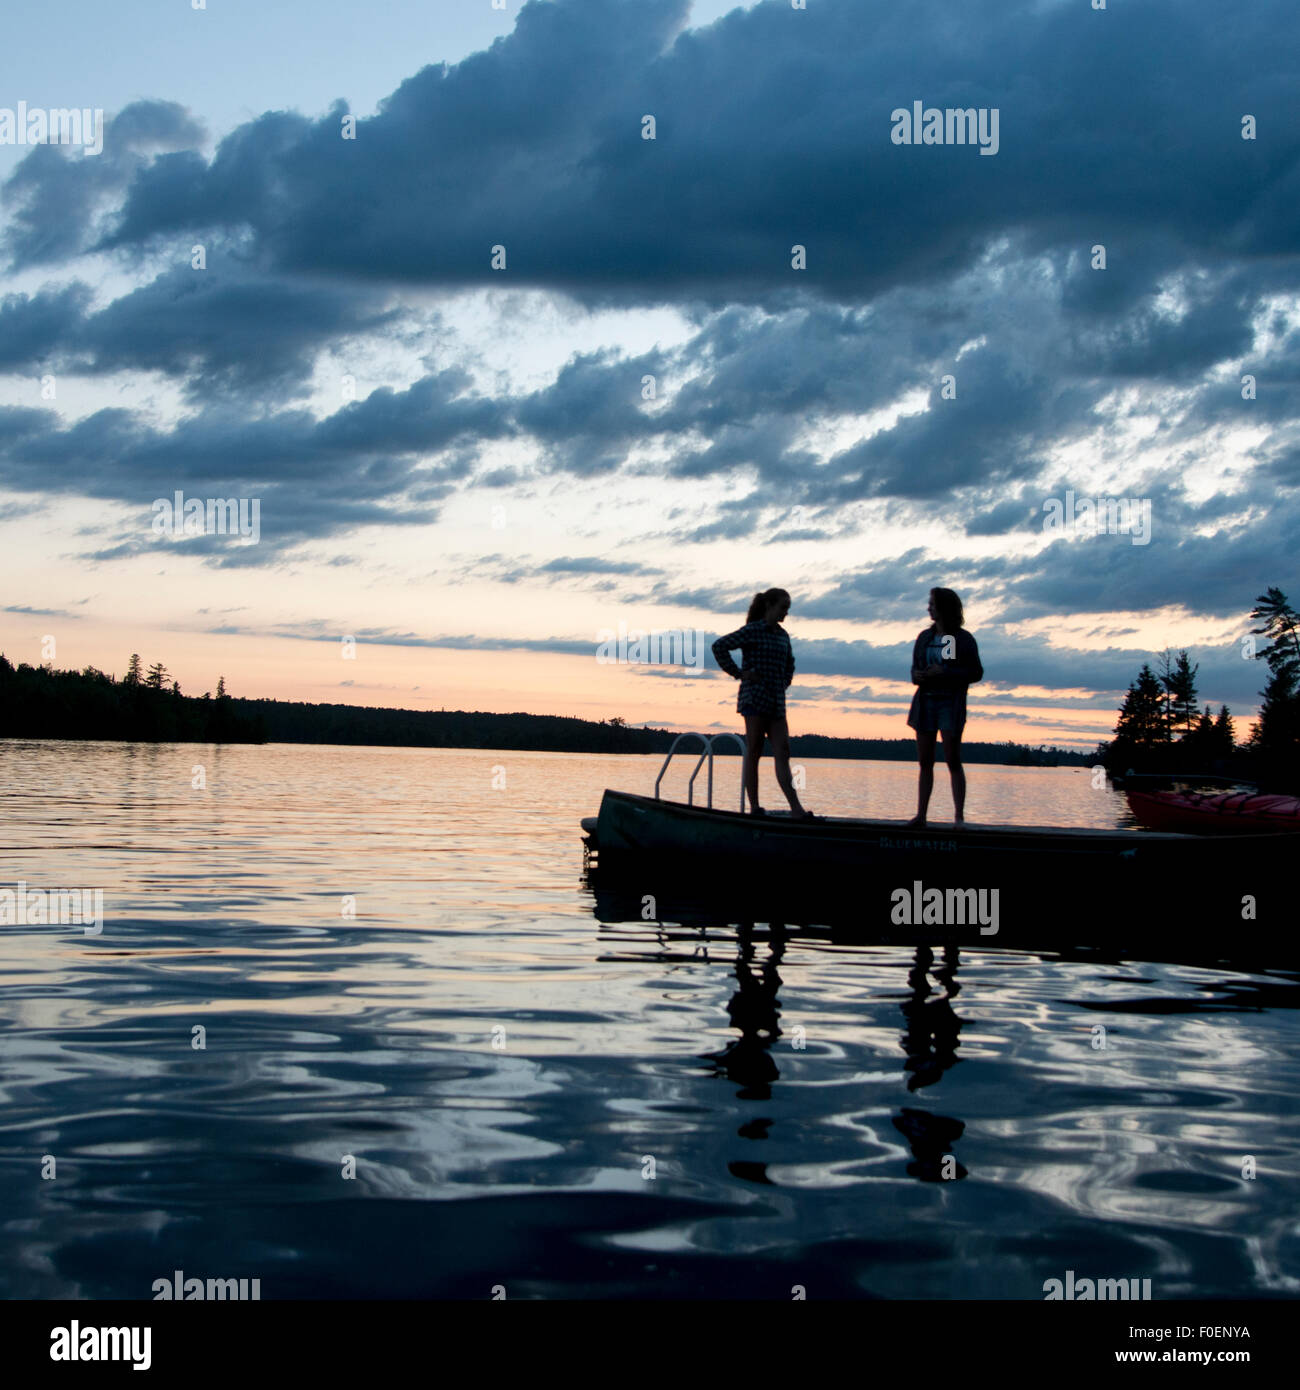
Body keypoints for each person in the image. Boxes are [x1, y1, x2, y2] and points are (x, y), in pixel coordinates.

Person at [712, 588, 815, 819]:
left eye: (787, 609)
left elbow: (790, 662)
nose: (786, 613)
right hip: (754, 698)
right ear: (769, 605)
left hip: (777, 701)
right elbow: (719, 646)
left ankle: (796, 809)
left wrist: (785, 681)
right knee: (755, 750)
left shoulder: (782, 635)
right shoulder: (753, 631)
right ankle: (755, 807)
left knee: (783, 751)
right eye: (783, 608)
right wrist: (739, 673)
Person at [907, 587, 982, 826]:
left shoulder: (959, 638)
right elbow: (914, 671)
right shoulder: (925, 638)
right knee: (925, 761)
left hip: (950, 703)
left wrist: (946, 671)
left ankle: (958, 817)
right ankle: (921, 816)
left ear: (944, 608)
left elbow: (975, 672)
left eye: (932, 604)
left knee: (952, 758)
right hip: (926, 701)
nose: (928, 607)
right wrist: (920, 674)